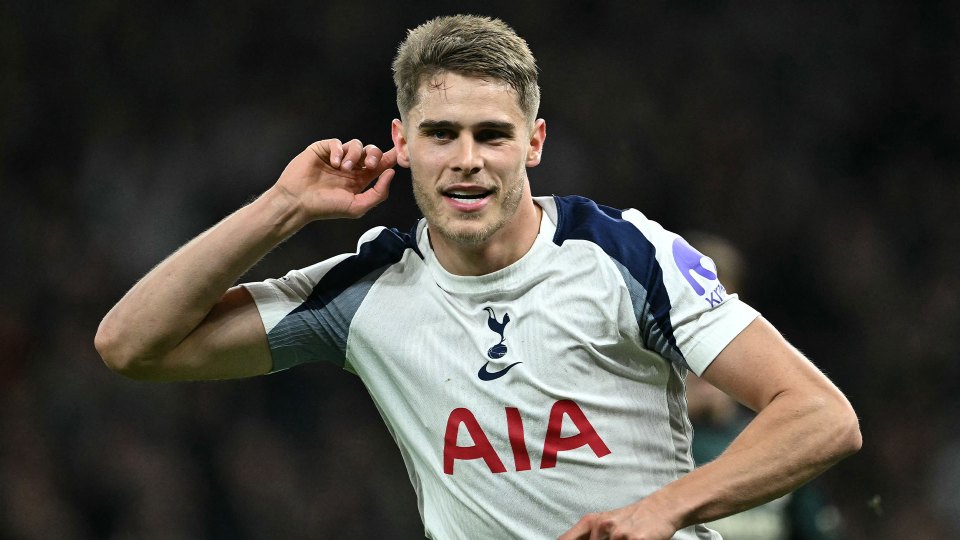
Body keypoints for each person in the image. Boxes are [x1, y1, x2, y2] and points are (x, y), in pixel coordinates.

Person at [95, 14, 861, 540]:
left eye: (492, 134)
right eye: (441, 133)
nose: (467, 157)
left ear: (534, 143)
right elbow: (131, 346)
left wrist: (661, 511)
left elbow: (823, 417)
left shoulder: (626, 253)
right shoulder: (366, 290)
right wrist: (283, 207)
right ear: (403, 142)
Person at [683, 232, 845, 540]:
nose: (704, 347)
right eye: (689, 327)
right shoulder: (638, 448)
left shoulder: (781, 442)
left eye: (717, 325)